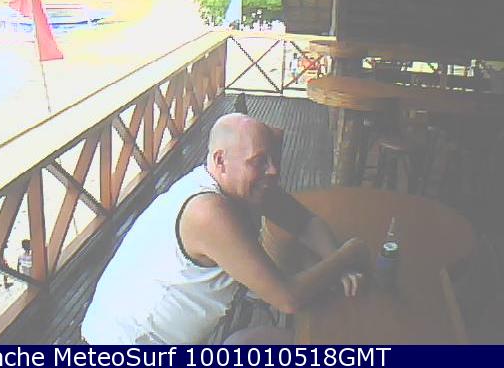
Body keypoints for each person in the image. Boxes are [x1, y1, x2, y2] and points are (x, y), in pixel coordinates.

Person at [81, 113, 368, 344]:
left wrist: (338, 264)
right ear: (221, 160)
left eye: (273, 159)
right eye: (260, 161)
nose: (274, 171)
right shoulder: (207, 212)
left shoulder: (244, 184)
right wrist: (347, 254)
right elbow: (287, 298)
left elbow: (304, 221)